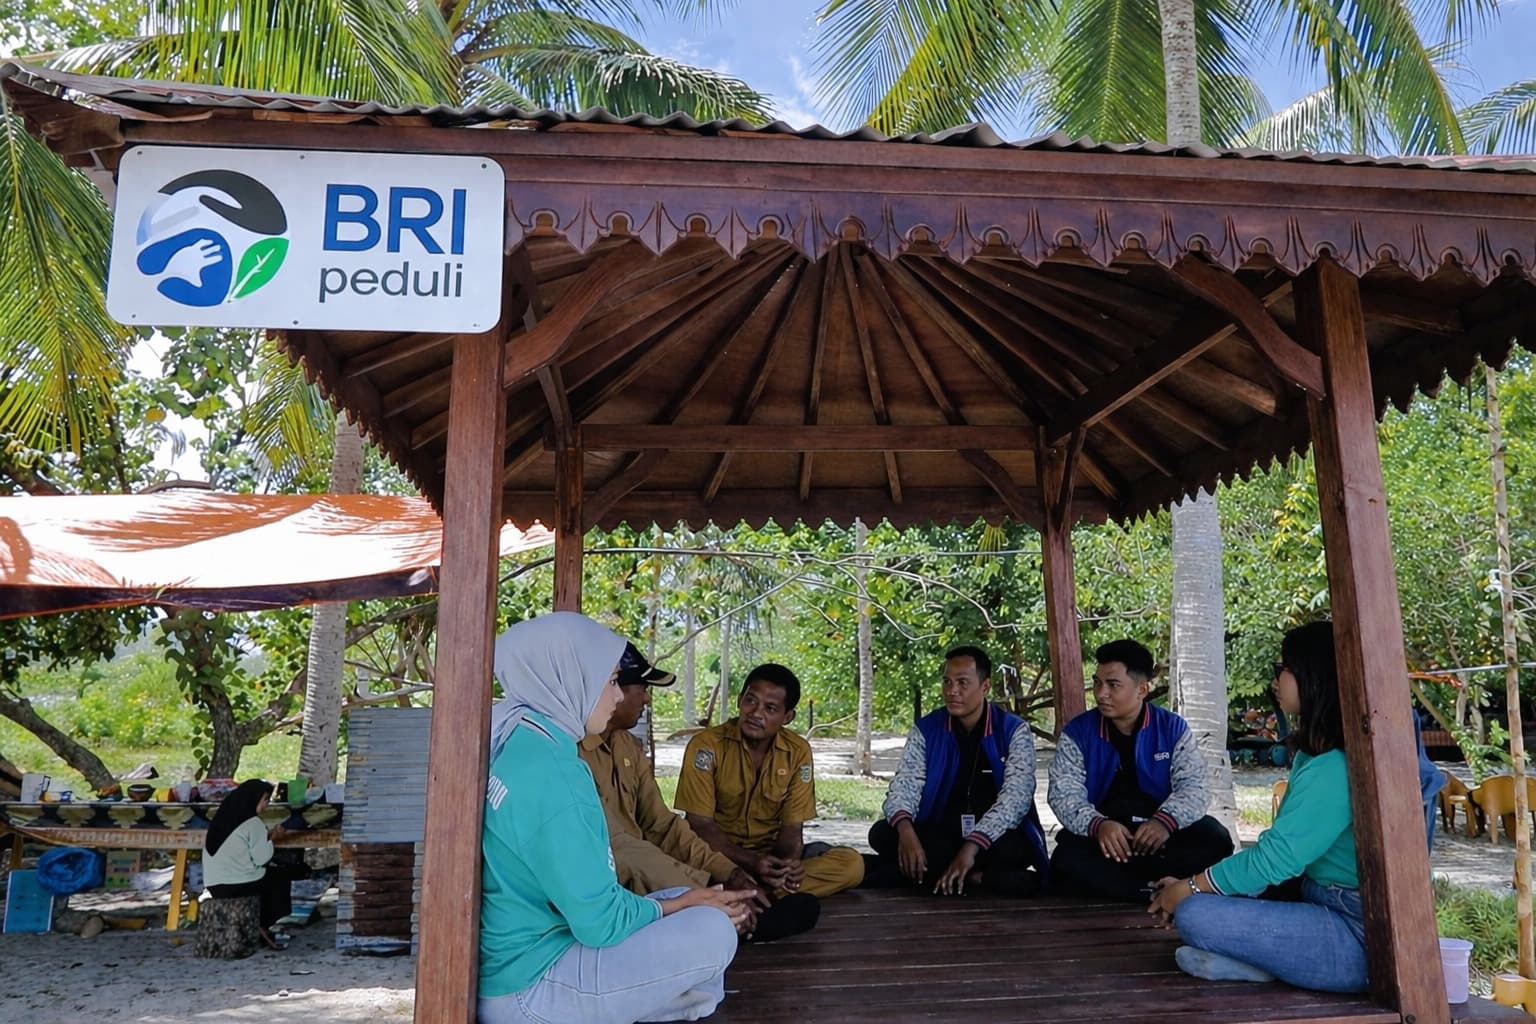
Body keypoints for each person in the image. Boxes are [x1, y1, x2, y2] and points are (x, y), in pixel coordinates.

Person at [478, 612, 758, 1024]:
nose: (617, 697)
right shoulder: (557, 776)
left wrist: (684, 899)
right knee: (712, 931)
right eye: (610, 681)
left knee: (682, 912)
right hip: (530, 986)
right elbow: (599, 925)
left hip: (530, 954)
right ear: (569, 677)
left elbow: (660, 827)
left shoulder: (522, 739)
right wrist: (690, 900)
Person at [1149, 620, 1368, 993]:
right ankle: (1263, 961)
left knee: (1194, 915)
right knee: (1202, 897)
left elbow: (1275, 860)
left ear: (1313, 677)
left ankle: (1267, 962)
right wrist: (1198, 885)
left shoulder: (1334, 765)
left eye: (1282, 669)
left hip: (1354, 938)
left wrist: (1191, 889)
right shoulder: (1315, 756)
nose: (1276, 681)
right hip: (1313, 898)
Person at [580, 642, 802, 941]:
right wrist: (709, 887)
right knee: (656, 872)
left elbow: (664, 825)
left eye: (771, 708)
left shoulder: (627, 746)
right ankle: (733, 917)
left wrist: (729, 873)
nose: (646, 698)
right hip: (608, 879)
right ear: (609, 689)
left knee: (844, 866)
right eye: (641, 688)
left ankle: (734, 909)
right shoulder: (570, 754)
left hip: (650, 863)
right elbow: (620, 846)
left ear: (787, 716)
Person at [675, 663, 864, 922]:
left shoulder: (797, 752)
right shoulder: (706, 746)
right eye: (750, 701)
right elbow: (699, 825)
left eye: (770, 708)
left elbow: (791, 830)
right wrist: (750, 863)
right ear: (740, 701)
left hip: (766, 860)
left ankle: (746, 898)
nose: (756, 713)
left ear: (787, 717)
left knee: (852, 865)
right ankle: (759, 899)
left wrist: (786, 867)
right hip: (715, 858)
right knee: (671, 872)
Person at [1048, 639, 1233, 901]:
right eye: (1097, 683)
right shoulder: (1078, 733)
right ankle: (1153, 890)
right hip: (1107, 836)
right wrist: (1098, 825)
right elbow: (1063, 794)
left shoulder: (1172, 728)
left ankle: (1139, 888)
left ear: (1142, 689)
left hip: (1161, 834)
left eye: (1113, 685)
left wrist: (1165, 822)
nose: (1101, 694)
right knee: (1066, 861)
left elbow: (1195, 788)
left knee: (1216, 839)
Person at [864, 645, 1049, 896]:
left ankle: (933, 874)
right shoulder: (927, 729)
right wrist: (907, 832)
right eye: (947, 682)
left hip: (992, 837)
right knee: (883, 833)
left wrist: (972, 847)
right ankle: (974, 879)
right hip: (942, 832)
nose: (952, 691)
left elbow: (1015, 800)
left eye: (962, 683)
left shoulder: (1013, 730)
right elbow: (905, 786)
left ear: (985, 687)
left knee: (1019, 848)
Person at [202, 778, 305, 951]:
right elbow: (261, 859)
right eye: (265, 800)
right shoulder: (253, 823)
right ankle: (264, 923)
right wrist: (272, 838)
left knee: (272, 875)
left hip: (215, 885)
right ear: (253, 799)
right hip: (238, 884)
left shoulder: (221, 820)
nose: (266, 805)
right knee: (281, 876)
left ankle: (258, 926)